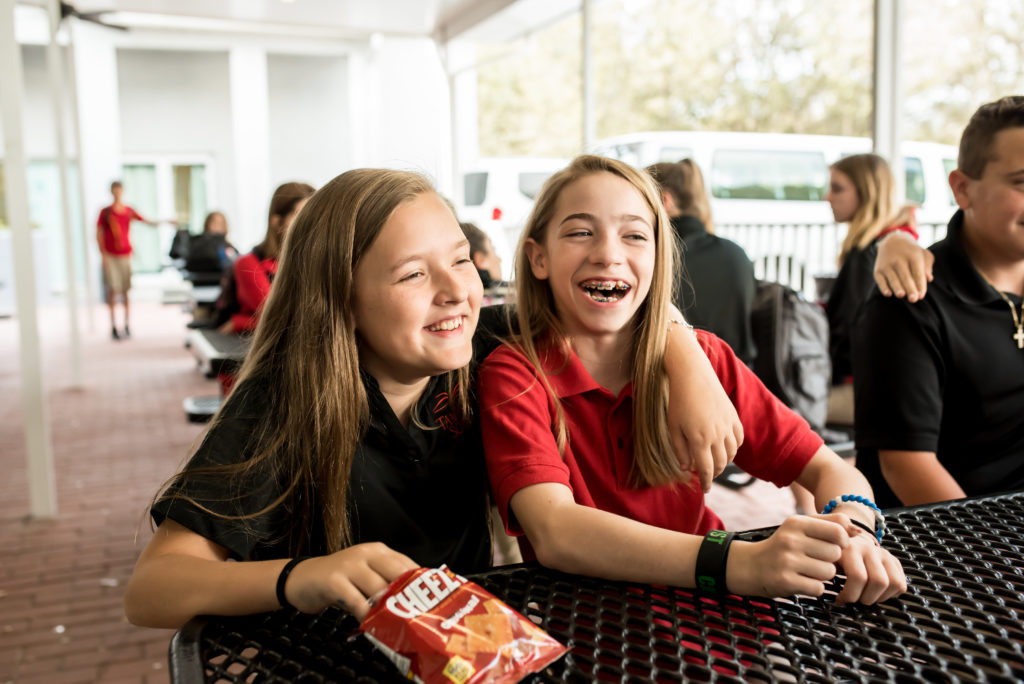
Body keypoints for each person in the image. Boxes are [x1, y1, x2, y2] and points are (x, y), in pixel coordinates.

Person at [124, 166, 746, 630]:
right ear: (339, 298)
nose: (457, 291)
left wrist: (683, 352)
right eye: (413, 274)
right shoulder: (282, 405)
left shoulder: (484, 347)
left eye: (461, 260)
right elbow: (153, 588)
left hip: (469, 641)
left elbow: (611, 297)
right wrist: (299, 577)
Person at [479, 155, 906, 605]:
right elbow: (555, 533)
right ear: (538, 258)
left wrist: (856, 529)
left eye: (635, 236)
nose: (607, 253)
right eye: (580, 232)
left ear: (658, 255)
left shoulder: (705, 357)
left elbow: (827, 467)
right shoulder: (514, 376)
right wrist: (738, 562)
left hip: (717, 615)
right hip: (596, 624)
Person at [852, 95, 1024, 508]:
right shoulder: (908, 300)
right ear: (963, 188)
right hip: (954, 547)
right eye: (1022, 182)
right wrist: (995, 557)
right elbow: (906, 465)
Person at [823, 154, 917, 424]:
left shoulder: (869, 254)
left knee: (777, 412)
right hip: (886, 385)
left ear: (867, 193)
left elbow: (847, 331)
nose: (828, 197)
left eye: (837, 188)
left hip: (864, 390)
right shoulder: (894, 242)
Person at [646, 160, 756, 365]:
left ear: (664, 200)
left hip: (674, 384)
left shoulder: (656, 257)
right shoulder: (736, 254)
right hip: (738, 382)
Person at [218, 182, 315, 335]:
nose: (309, 224)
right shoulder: (248, 264)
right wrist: (241, 323)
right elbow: (276, 319)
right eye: (299, 215)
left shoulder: (313, 262)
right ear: (278, 222)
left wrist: (239, 322)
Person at [96, 180, 168, 340]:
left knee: (126, 290)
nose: (117, 193)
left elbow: (147, 221)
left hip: (125, 255)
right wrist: (103, 256)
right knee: (113, 291)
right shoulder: (106, 212)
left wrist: (166, 222)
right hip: (111, 256)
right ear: (111, 192)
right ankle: (114, 326)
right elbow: (99, 234)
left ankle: (127, 325)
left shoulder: (128, 211)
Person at [460, 221, 509, 305]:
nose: (499, 259)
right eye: (493, 250)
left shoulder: (460, 302)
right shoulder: (510, 296)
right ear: (481, 260)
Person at [184, 211, 237, 276]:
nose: (217, 226)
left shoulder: (227, 245)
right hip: (200, 280)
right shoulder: (197, 242)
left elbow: (237, 262)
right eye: (214, 222)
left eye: (220, 223)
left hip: (220, 280)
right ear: (207, 224)